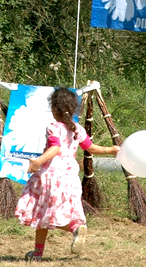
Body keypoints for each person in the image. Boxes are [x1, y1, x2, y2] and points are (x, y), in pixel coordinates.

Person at [15, 87, 120, 261]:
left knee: (42, 212)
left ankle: (73, 228)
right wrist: (111, 150)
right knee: (46, 213)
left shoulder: (53, 127)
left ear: (54, 109)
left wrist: (38, 161)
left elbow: (55, 148)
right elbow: (91, 148)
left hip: (51, 175)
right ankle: (39, 253)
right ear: (72, 110)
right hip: (70, 176)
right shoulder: (78, 129)